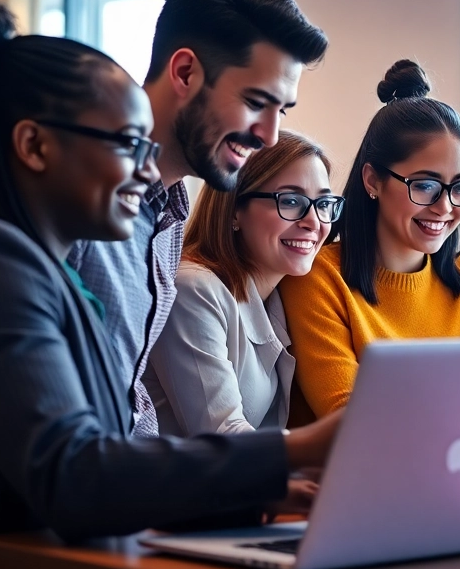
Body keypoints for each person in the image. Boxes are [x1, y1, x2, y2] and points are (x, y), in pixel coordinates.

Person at [0, 1, 336, 569]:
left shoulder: (31, 262)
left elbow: (98, 461)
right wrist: (295, 450)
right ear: (34, 145)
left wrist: (255, 488)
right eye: (127, 147)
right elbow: (76, 474)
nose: (147, 173)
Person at [67, 0, 329, 437]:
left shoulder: (167, 217)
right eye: (256, 103)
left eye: (281, 111)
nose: (270, 137)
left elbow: (129, 407)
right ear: (185, 72)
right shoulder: (79, 204)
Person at [281, 60, 460, 423]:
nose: (444, 207)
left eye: (459, 187)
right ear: (373, 181)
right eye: (425, 185)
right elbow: (351, 422)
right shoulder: (319, 277)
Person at [145, 131, 340, 436]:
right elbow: (222, 432)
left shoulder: (278, 297)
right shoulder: (193, 289)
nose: (314, 222)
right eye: (291, 201)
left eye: (324, 203)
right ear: (235, 208)